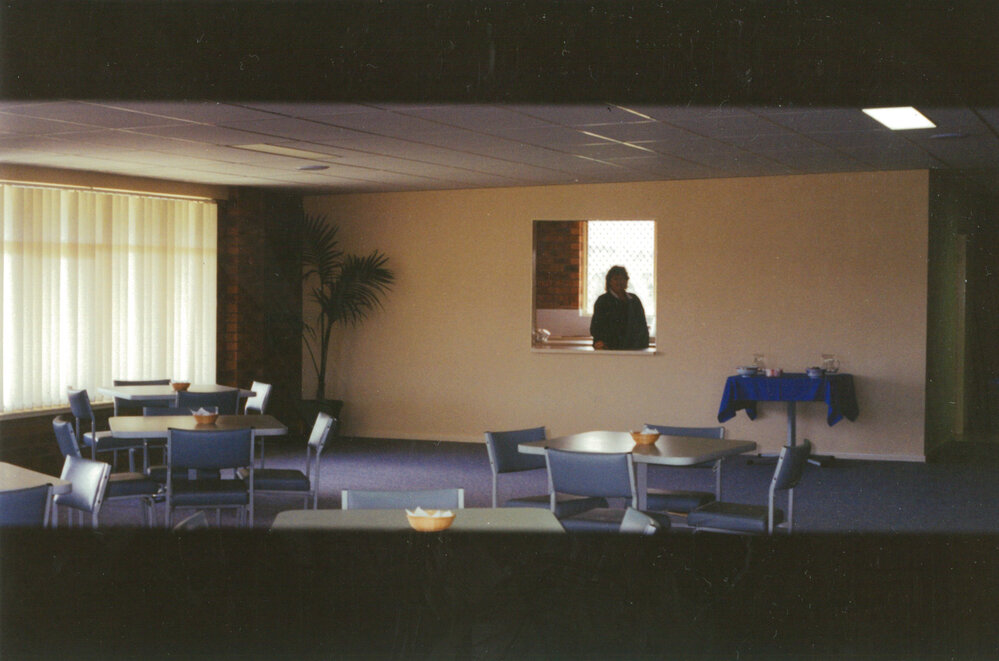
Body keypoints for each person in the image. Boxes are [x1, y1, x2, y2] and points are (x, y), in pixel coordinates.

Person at [589, 265, 650, 350]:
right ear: (609, 281)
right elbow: (596, 327)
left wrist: (643, 344)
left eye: (622, 279)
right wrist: (600, 342)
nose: (619, 282)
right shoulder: (603, 300)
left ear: (626, 281)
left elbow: (642, 324)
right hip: (609, 347)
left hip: (633, 347)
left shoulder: (634, 300)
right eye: (616, 279)